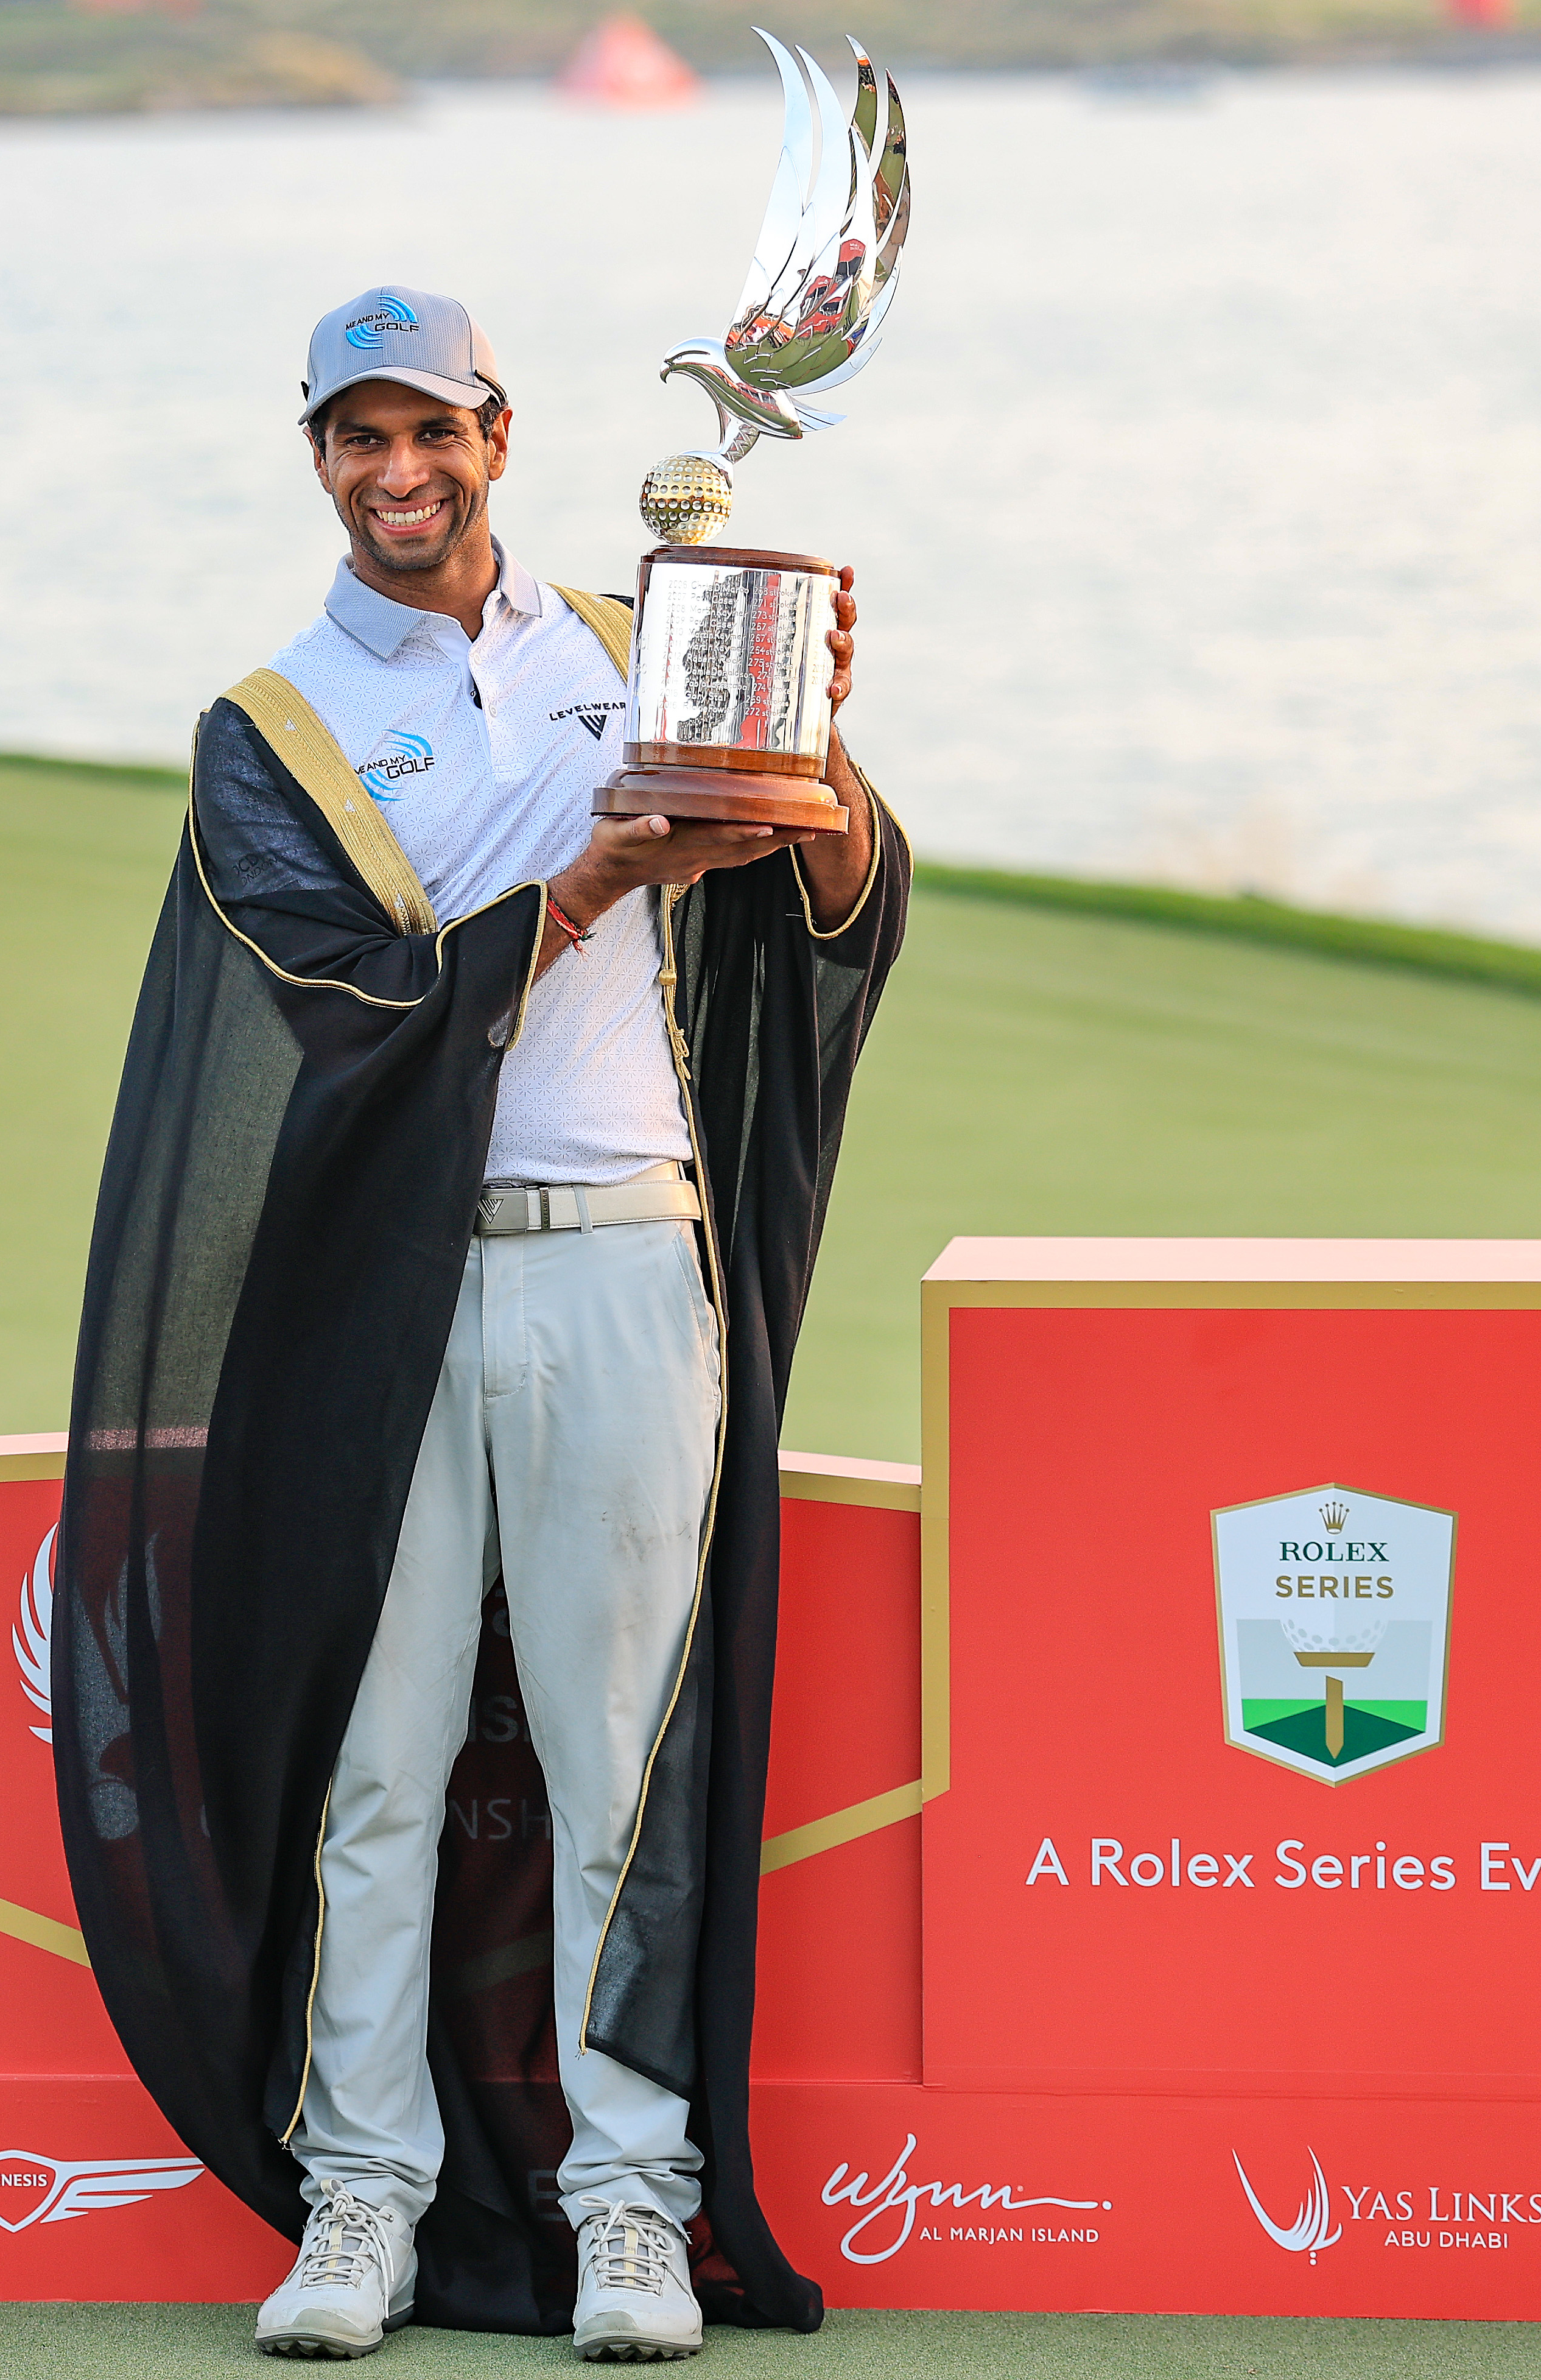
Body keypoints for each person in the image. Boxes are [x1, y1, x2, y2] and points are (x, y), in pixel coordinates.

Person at [52, 286, 908, 2362]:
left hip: (627, 1249)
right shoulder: (272, 728)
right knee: (380, 1760)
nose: (400, 471)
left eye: (432, 429)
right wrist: (598, 874)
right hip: (389, 1293)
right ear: (319, 461)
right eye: (360, 437)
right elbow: (343, 1015)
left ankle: (634, 2203)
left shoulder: (634, 646)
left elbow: (844, 900)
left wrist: (801, 733)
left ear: (498, 435)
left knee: (624, 1754)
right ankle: (364, 2191)